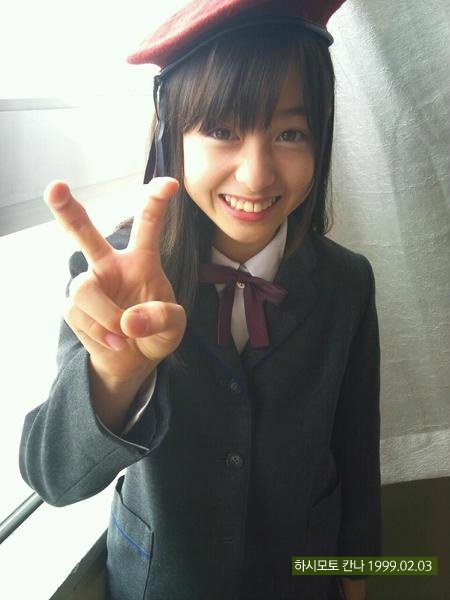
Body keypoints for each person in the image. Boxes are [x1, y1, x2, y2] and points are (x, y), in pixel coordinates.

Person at [19, 1, 381, 599]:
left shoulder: (347, 282)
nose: (256, 175)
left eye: (290, 133)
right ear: (172, 135)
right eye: (221, 130)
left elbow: (356, 449)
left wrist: (360, 581)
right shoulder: (113, 278)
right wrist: (116, 374)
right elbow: (54, 478)